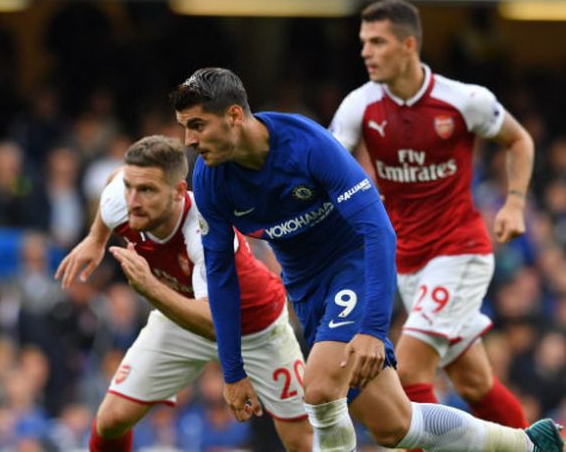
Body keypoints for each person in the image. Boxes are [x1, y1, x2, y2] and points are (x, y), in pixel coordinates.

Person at [170, 67, 563, 452]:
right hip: (307, 290)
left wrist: (374, 328)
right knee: (395, 425)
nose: (189, 140)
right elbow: (220, 273)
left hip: (352, 266)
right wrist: (233, 369)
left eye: (197, 125)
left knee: (321, 387)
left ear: (234, 116)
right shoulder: (209, 181)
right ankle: (528, 443)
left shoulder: (308, 145)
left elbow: (377, 230)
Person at [330, 0, 532, 430]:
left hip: (459, 252)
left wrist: (514, 202)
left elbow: (519, 141)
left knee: (410, 374)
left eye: (377, 42)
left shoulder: (464, 100)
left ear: (408, 46)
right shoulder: (359, 105)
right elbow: (328, 166)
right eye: (363, 42)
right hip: (406, 260)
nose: (366, 51)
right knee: (474, 382)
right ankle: (539, 444)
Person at [55, 135, 312, 452]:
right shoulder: (121, 199)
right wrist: (96, 238)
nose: (133, 199)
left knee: (301, 440)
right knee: (110, 420)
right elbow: (112, 182)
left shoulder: (205, 231)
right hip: (183, 314)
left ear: (178, 192)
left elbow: (214, 322)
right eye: (130, 187)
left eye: (147, 190)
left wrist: (149, 288)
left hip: (255, 326)